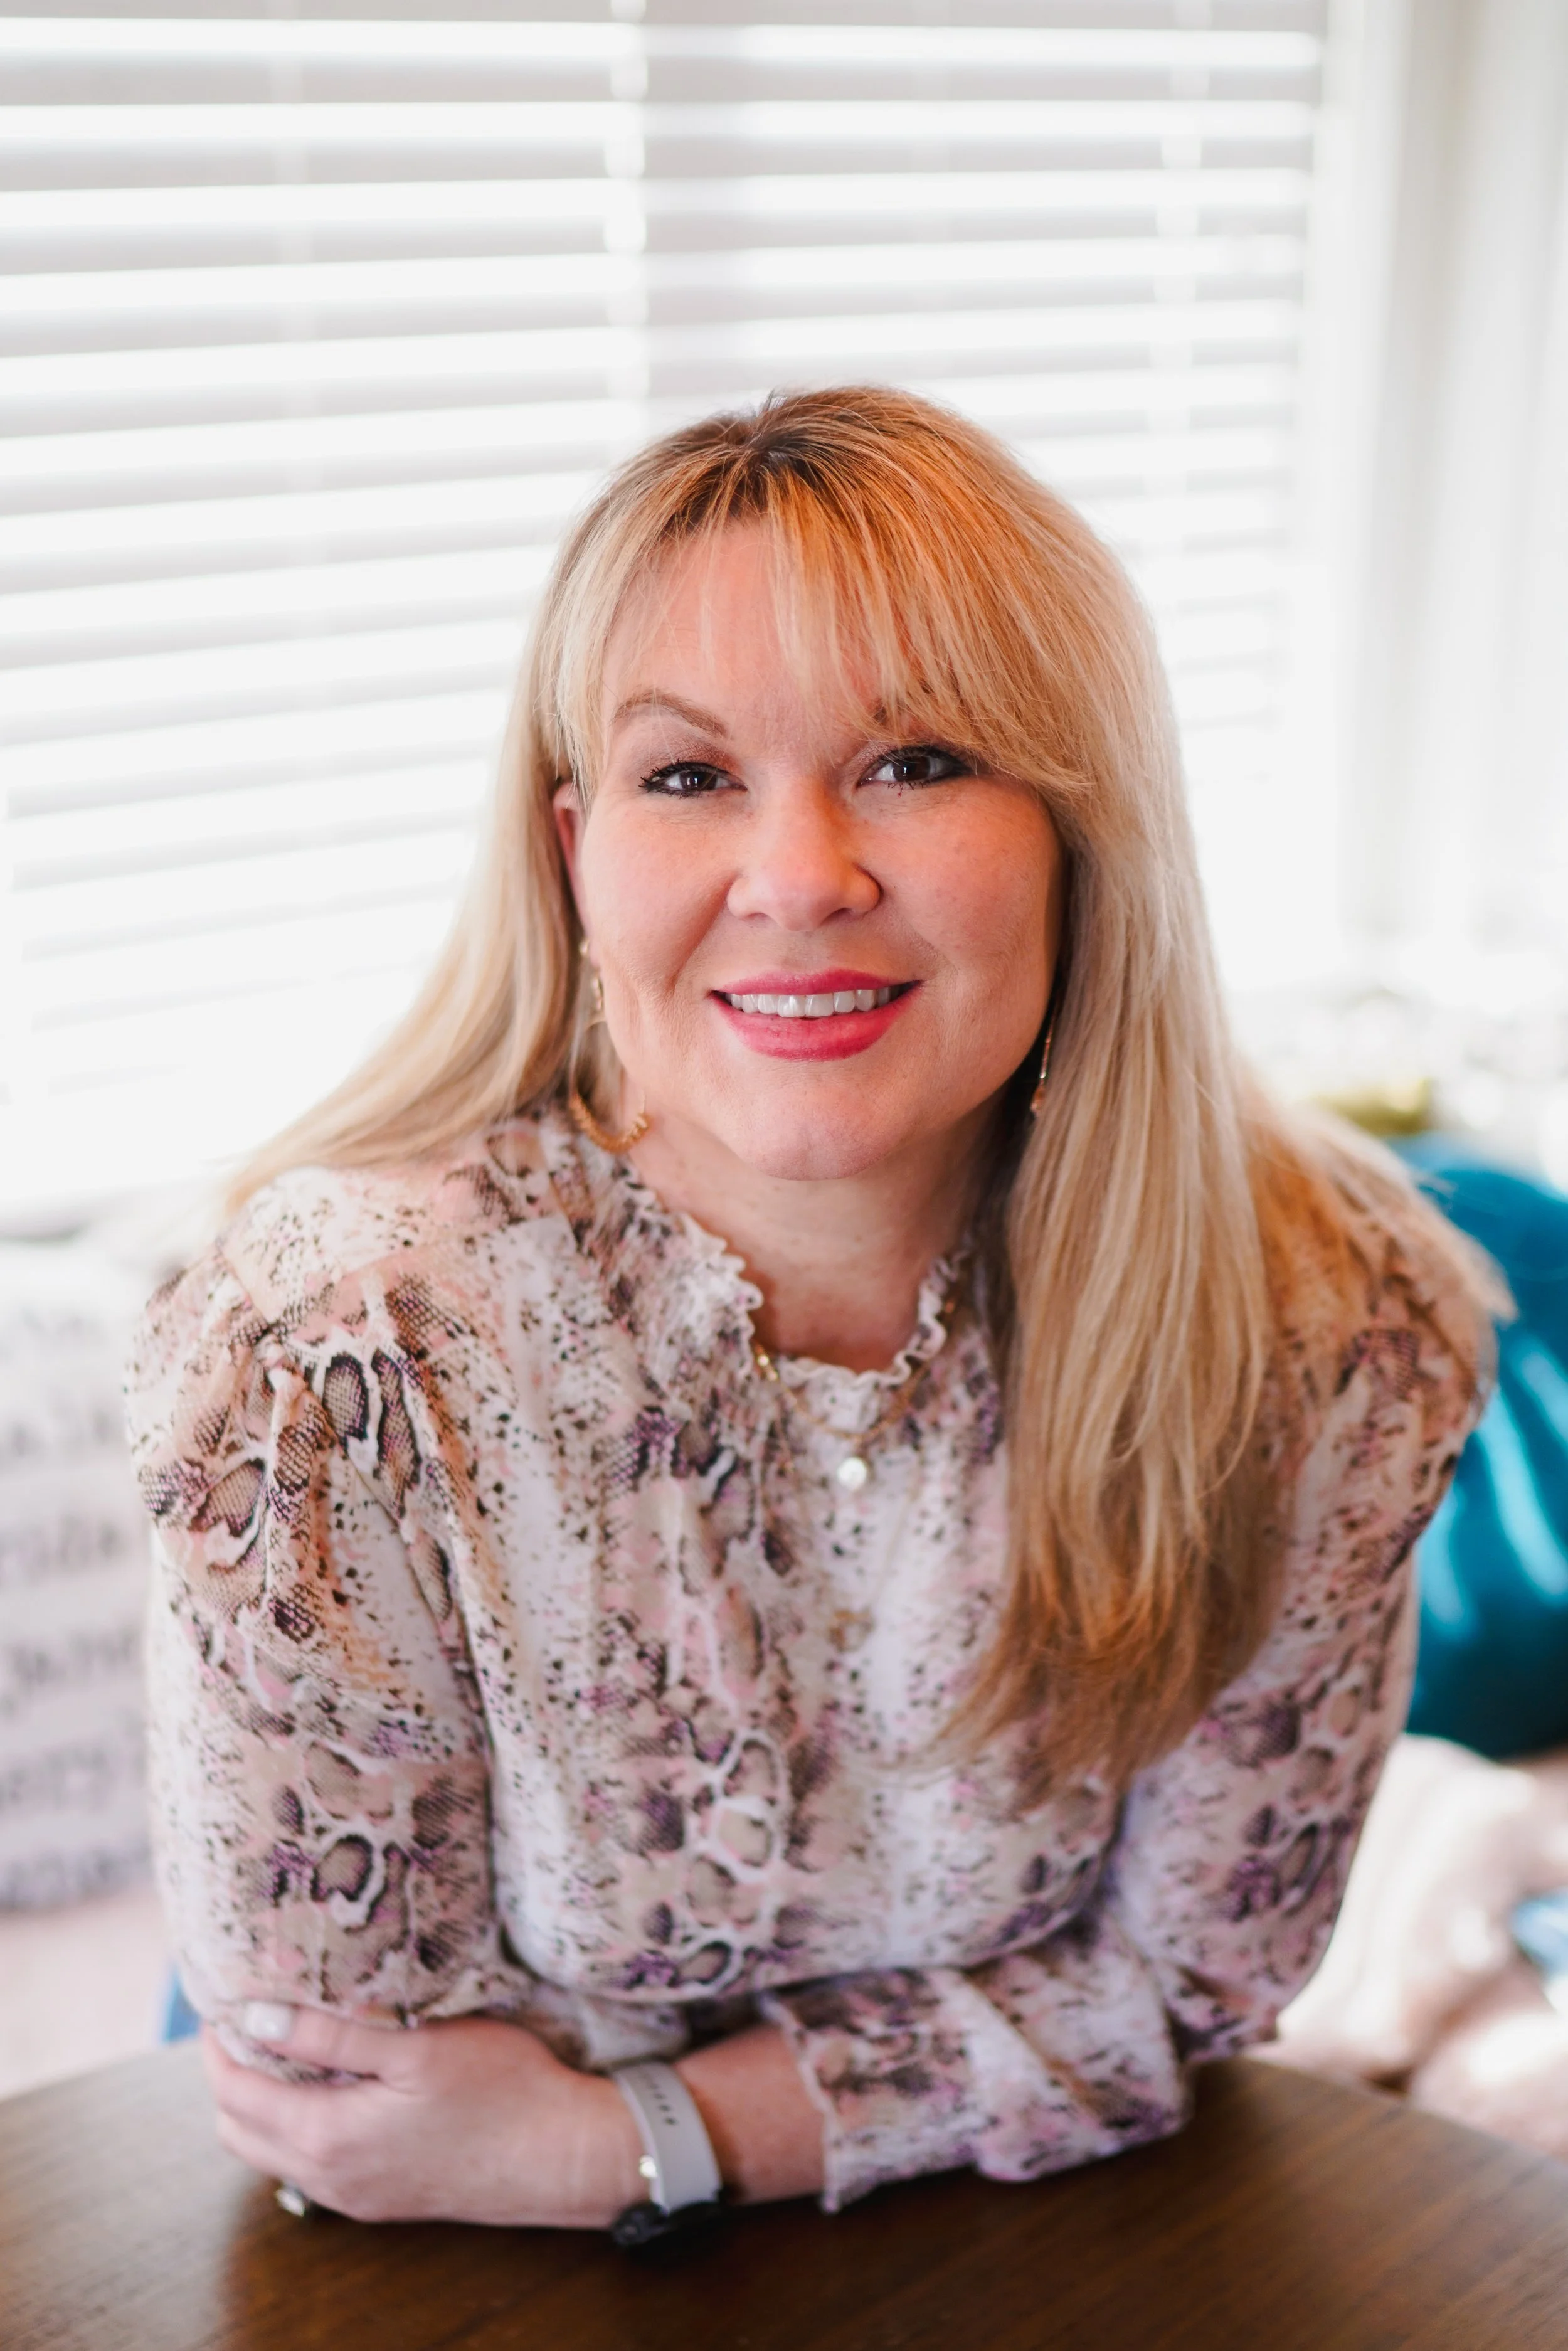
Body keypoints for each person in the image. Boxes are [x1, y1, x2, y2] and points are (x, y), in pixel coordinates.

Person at [126, 386, 1496, 2233]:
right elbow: (359, 2092)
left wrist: (625, 2136)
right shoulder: (336, 1351)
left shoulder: (1322, 1315)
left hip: (1024, 2259)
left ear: (1081, 829)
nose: (798, 878)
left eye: (916, 759)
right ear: (572, 854)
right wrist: (990, 2048)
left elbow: (1193, 1991)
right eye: (688, 775)